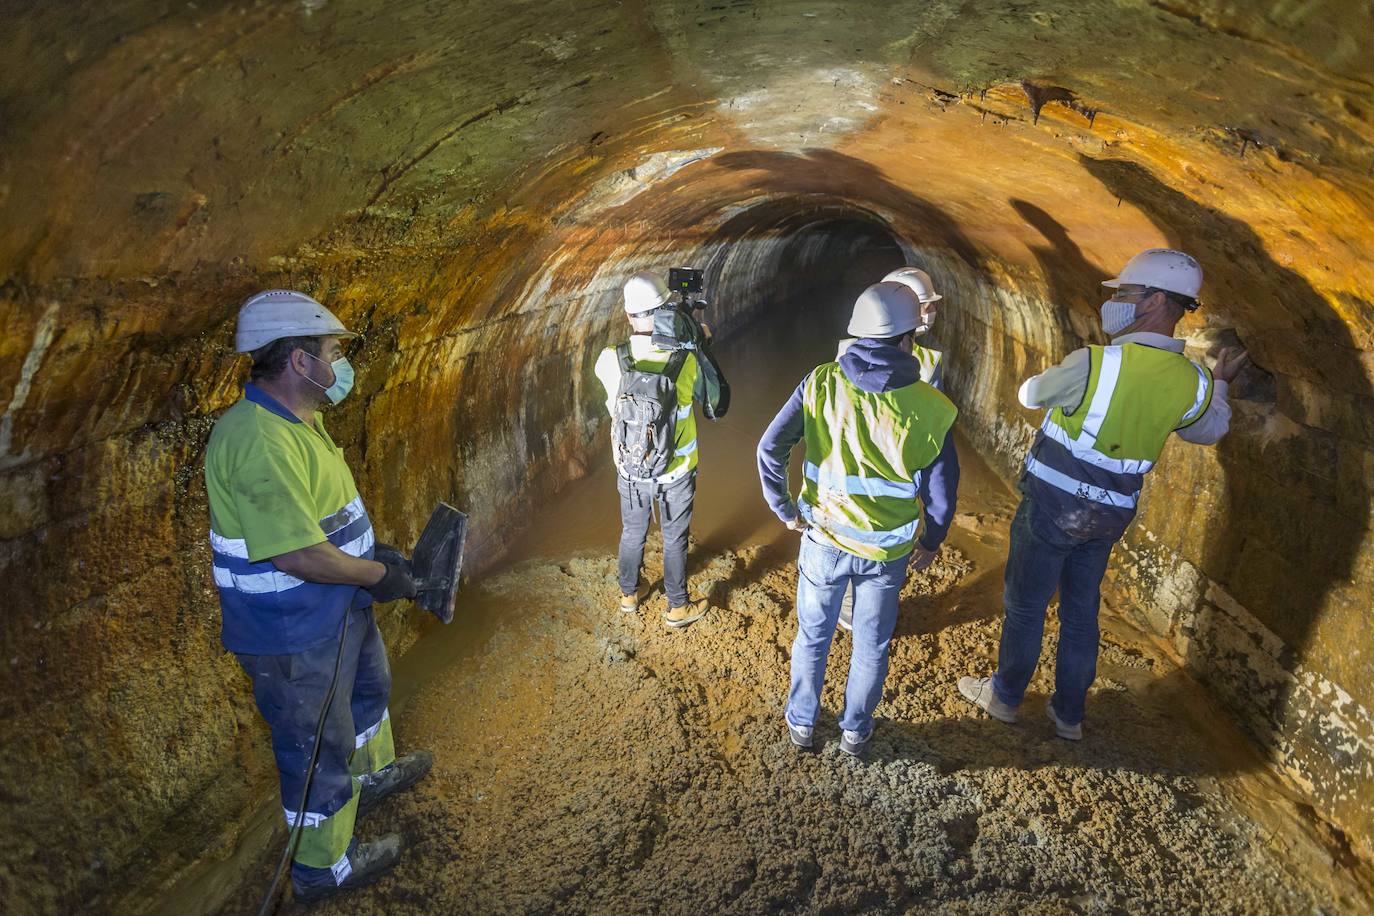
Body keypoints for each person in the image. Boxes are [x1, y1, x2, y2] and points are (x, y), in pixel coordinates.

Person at [957, 249, 1249, 741]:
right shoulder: (1193, 380)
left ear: (1156, 301)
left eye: (1125, 294)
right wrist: (1220, 382)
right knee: (1080, 612)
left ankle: (1004, 697)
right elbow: (1208, 430)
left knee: (1026, 606)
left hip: (1052, 509)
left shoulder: (1098, 362)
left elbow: (1031, 396)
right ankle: (1068, 715)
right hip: (1110, 517)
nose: (1115, 302)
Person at [205, 290, 432, 902]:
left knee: (367, 695)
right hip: (292, 630)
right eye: (333, 352)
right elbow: (295, 553)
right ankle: (320, 869)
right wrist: (375, 577)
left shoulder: (301, 418)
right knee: (316, 747)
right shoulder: (257, 440)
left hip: (335, 608)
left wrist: (370, 558)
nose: (342, 366)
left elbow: (324, 522)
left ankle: (373, 777)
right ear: (301, 363)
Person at [758, 282, 961, 756]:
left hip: (823, 540)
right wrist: (931, 543)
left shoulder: (821, 382)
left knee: (813, 636)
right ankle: (855, 731)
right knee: (870, 645)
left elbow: (770, 448)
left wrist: (785, 509)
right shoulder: (934, 408)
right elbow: (941, 494)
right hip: (886, 554)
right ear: (911, 337)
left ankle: (803, 724)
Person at [593, 271, 724, 628]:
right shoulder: (687, 361)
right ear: (666, 309)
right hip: (677, 468)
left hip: (631, 468)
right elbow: (713, 402)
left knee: (632, 531)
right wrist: (699, 342)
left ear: (628, 315)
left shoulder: (609, 358)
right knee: (674, 537)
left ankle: (628, 595)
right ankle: (677, 607)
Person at [836, 266, 947, 633]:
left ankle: (854, 608)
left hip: (851, 473)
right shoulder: (925, 365)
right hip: (892, 475)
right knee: (879, 548)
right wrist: (934, 529)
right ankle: (865, 613)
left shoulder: (845, 356)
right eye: (926, 307)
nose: (930, 314)